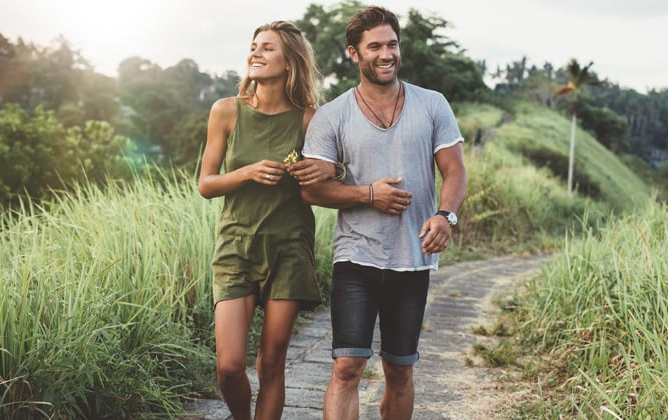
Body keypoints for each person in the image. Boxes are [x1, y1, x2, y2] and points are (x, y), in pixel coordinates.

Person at [299, 6, 468, 420]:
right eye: (374, 46)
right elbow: (311, 190)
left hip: (413, 257)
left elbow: (454, 169)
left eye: (392, 44)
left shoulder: (432, 105)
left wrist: (445, 215)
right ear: (354, 54)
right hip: (356, 256)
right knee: (346, 366)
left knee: (399, 369)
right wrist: (367, 195)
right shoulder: (332, 116)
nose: (386, 53)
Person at [197, 20, 337, 420]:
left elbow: (336, 169)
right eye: (253, 46)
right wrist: (246, 172)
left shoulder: (310, 119)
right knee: (229, 367)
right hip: (236, 246)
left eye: (267, 48)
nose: (255, 53)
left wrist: (328, 172)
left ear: (290, 62)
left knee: (271, 364)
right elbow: (206, 184)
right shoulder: (226, 111)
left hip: (289, 246)